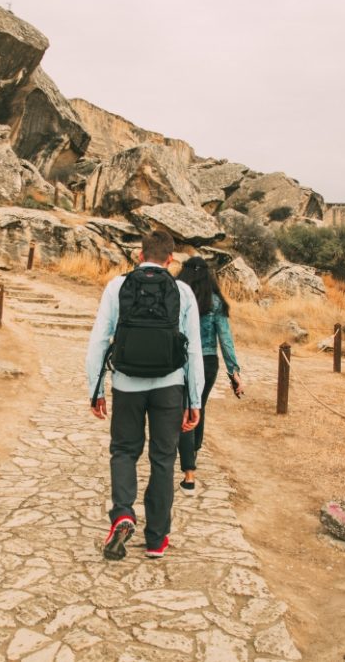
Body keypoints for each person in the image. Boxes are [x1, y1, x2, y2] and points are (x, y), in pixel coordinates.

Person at [86, 230, 204, 561]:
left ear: (139, 256)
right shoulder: (182, 292)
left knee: (124, 451)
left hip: (126, 384)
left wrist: (95, 389)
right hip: (169, 386)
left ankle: (123, 514)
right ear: (171, 261)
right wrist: (194, 400)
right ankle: (156, 539)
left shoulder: (117, 286)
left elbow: (99, 339)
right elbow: (193, 349)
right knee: (163, 460)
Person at [175, 257, 244, 495]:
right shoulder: (215, 302)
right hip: (207, 361)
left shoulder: (177, 296)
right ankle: (192, 451)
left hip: (179, 359)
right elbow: (225, 339)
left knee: (182, 407)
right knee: (198, 405)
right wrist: (234, 372)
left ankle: (187, 464)